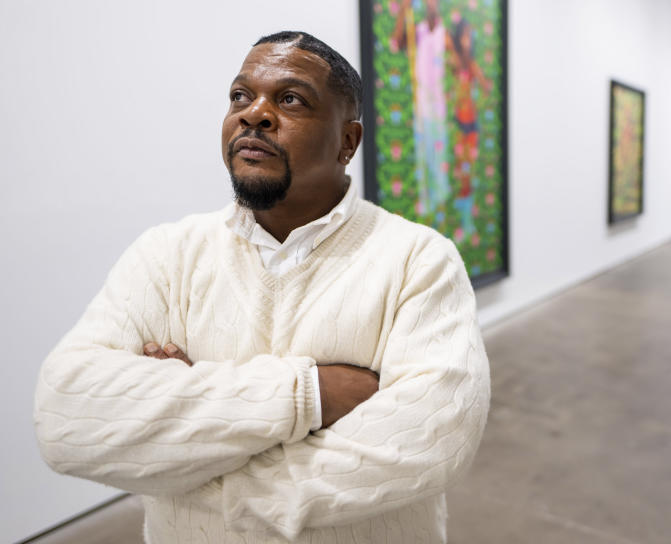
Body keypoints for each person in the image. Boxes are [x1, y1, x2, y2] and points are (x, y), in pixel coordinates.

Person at [34, 31, 490, 543]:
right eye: (240, 96)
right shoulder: (167, 253)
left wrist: (189, 441)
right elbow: (66, 416)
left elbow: (431, 438)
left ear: (348, 141)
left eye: (290, 99)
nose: (254, 113)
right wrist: (311, 395)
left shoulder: (417, 260)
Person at [392, 0, 452, 218]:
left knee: (439, 152)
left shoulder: (443, 33)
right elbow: (397, 42)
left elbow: (456, 63)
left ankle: (441, 198)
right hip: (421, 103)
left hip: (438, 104)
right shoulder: (416, 31)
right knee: (423, 152)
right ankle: (426, 201)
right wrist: (404, 9)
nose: (431, 2)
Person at [449, 19, 491, 237]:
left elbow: (486, 86)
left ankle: (466, 222)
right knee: (460, 168)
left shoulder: (472, 65)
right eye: (464, 35)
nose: (467, 40)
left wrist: (475, 102)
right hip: (459, 122)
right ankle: (462, 214)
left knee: (467, 171)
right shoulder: (457, 63)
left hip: (471, 124)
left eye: (470, 36)